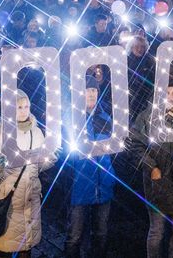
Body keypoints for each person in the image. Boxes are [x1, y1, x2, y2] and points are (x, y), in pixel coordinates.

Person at [126, 83, 173, 258]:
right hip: (158, 183)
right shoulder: (146, 117)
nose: (171, 96)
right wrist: (152, 167)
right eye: (167, 92)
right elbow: (135, 145)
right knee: (157, 231)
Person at [0, 90, 56, 258]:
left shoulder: (37, 133)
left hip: (30, 201)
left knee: (26, 249)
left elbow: (38, 167)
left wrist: (51, 158)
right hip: (9, 204)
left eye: (26, 107)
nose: (24, 111)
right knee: (4, 250)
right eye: (19, 107)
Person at [65, 79, 114, 258]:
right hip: (79, 185)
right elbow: (65, 151)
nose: (91, 93)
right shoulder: (72, 117)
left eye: (94, 90)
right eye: (87, 90)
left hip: (103, 184)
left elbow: (113, 150)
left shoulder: (106, 117)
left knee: (101, 233)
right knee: (75, 235)